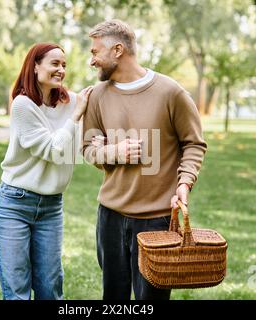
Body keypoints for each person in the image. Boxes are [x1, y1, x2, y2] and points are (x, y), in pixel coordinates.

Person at [82, 20, 207, 300]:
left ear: (117, 50)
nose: (91, 61)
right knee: (113, 297)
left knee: (152, 300)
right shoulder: (97, 96)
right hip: (110, 217)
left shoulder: (170, 92)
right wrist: (113, 153)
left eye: (95, 52)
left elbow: (194, 143)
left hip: (156, 219)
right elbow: (88, 148)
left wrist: (184, 184)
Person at [0, 43, 93, 300]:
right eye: (55, 64)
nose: (61, 70)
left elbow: (84, 140)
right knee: (17, 292)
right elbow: (53, 150)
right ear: (35, 66)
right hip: (15, 205)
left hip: (51, 207)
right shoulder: (23, 105)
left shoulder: (69, 101)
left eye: (64, 65)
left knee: (51, 290)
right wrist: (77, 115)